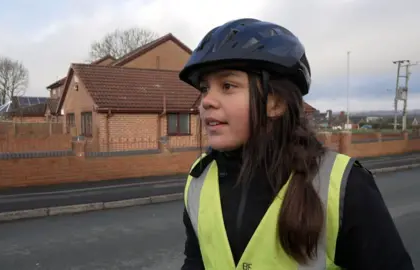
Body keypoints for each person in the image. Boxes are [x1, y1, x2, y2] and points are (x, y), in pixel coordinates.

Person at [177, 18, 414, 270]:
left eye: (227, 86)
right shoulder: (199, 179)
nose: (206, 101)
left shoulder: (344, 186)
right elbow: (196, 261)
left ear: (276, 104)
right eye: (204, 89)